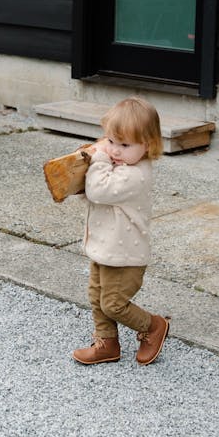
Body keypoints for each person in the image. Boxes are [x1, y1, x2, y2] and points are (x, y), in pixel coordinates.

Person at [71, 97, 171, 366]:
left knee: (113, 303)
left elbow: (98, 190)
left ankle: (152, 326)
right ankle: (107, 343)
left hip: (126, 254)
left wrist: (100, 156)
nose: (114, 150)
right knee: (96, 296)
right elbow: (94, 195)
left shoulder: (136, 175)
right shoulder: (121, 165)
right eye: (111, 141)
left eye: (124, 145)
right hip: (105, 247)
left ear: (147, 145)